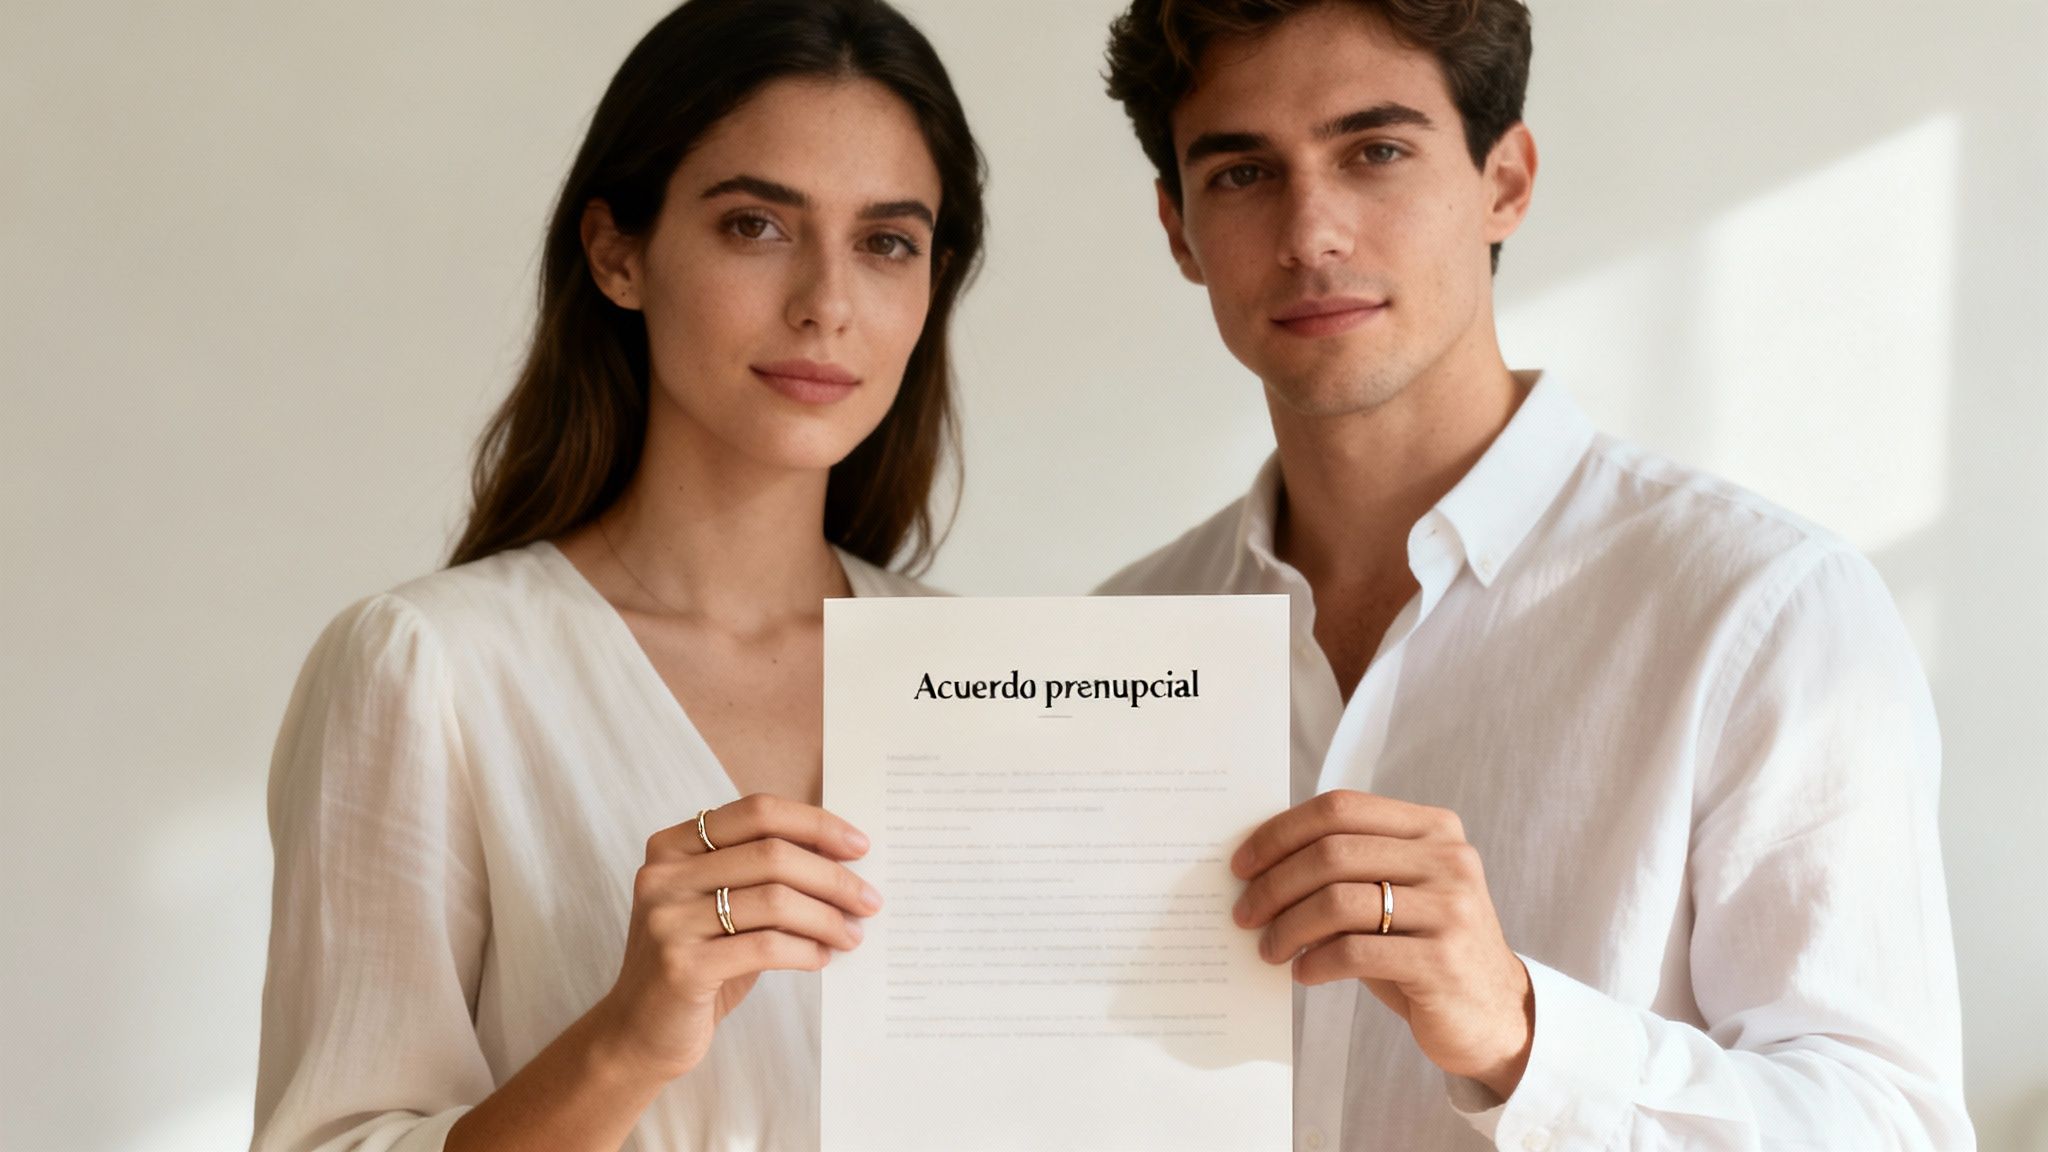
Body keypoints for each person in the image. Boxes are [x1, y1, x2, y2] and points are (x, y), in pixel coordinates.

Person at [1096, 1, 1973, 1148]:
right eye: (1242, 172)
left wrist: (1519, 1031)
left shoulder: (1763, 610)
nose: (1310, 231)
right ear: (1177, 227)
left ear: (1503, 180)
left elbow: (1888, 1129)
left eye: (1375, 152)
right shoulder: (1115, 639)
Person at [250, 1, 984, 1148]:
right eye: (755, 226)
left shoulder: (1001, 680)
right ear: (617, 252)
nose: (826, 305)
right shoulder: (431, 669)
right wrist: (630, 1037)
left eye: (886, 243)